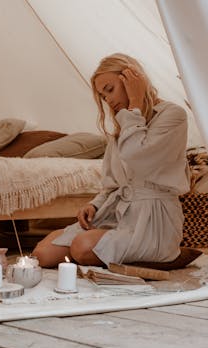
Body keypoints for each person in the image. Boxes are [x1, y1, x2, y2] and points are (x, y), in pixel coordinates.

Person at [32, 53, 190, 268]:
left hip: (152, 221)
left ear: (133, 80)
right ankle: (104, 249)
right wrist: (95, 205)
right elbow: (112, 184)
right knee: (43, 253)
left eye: (110, 90)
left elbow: (137, 157)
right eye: (103, 96)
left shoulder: (172, 115)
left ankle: (142, 252)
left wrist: (134, 104)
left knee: (83, 247)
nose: (109, 100)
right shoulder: (122, 127)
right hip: (115, 214)